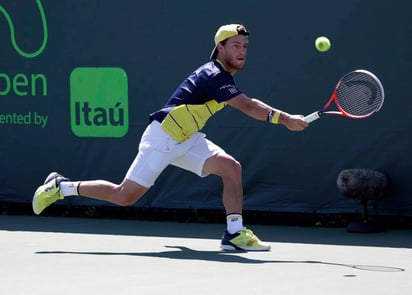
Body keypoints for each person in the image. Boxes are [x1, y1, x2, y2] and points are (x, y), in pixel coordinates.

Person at [33, 24, 308, 251]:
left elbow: (246, 102)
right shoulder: (214, 74)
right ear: (220, 48)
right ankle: (62, 186)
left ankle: (234, 234)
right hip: (162, 138)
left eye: (245, 46)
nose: (242, 51)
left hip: (187, 139)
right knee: (124, 195)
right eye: (235, 45)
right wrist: (285, 119)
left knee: (231, 167)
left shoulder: (224, 77)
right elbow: (247, 105)